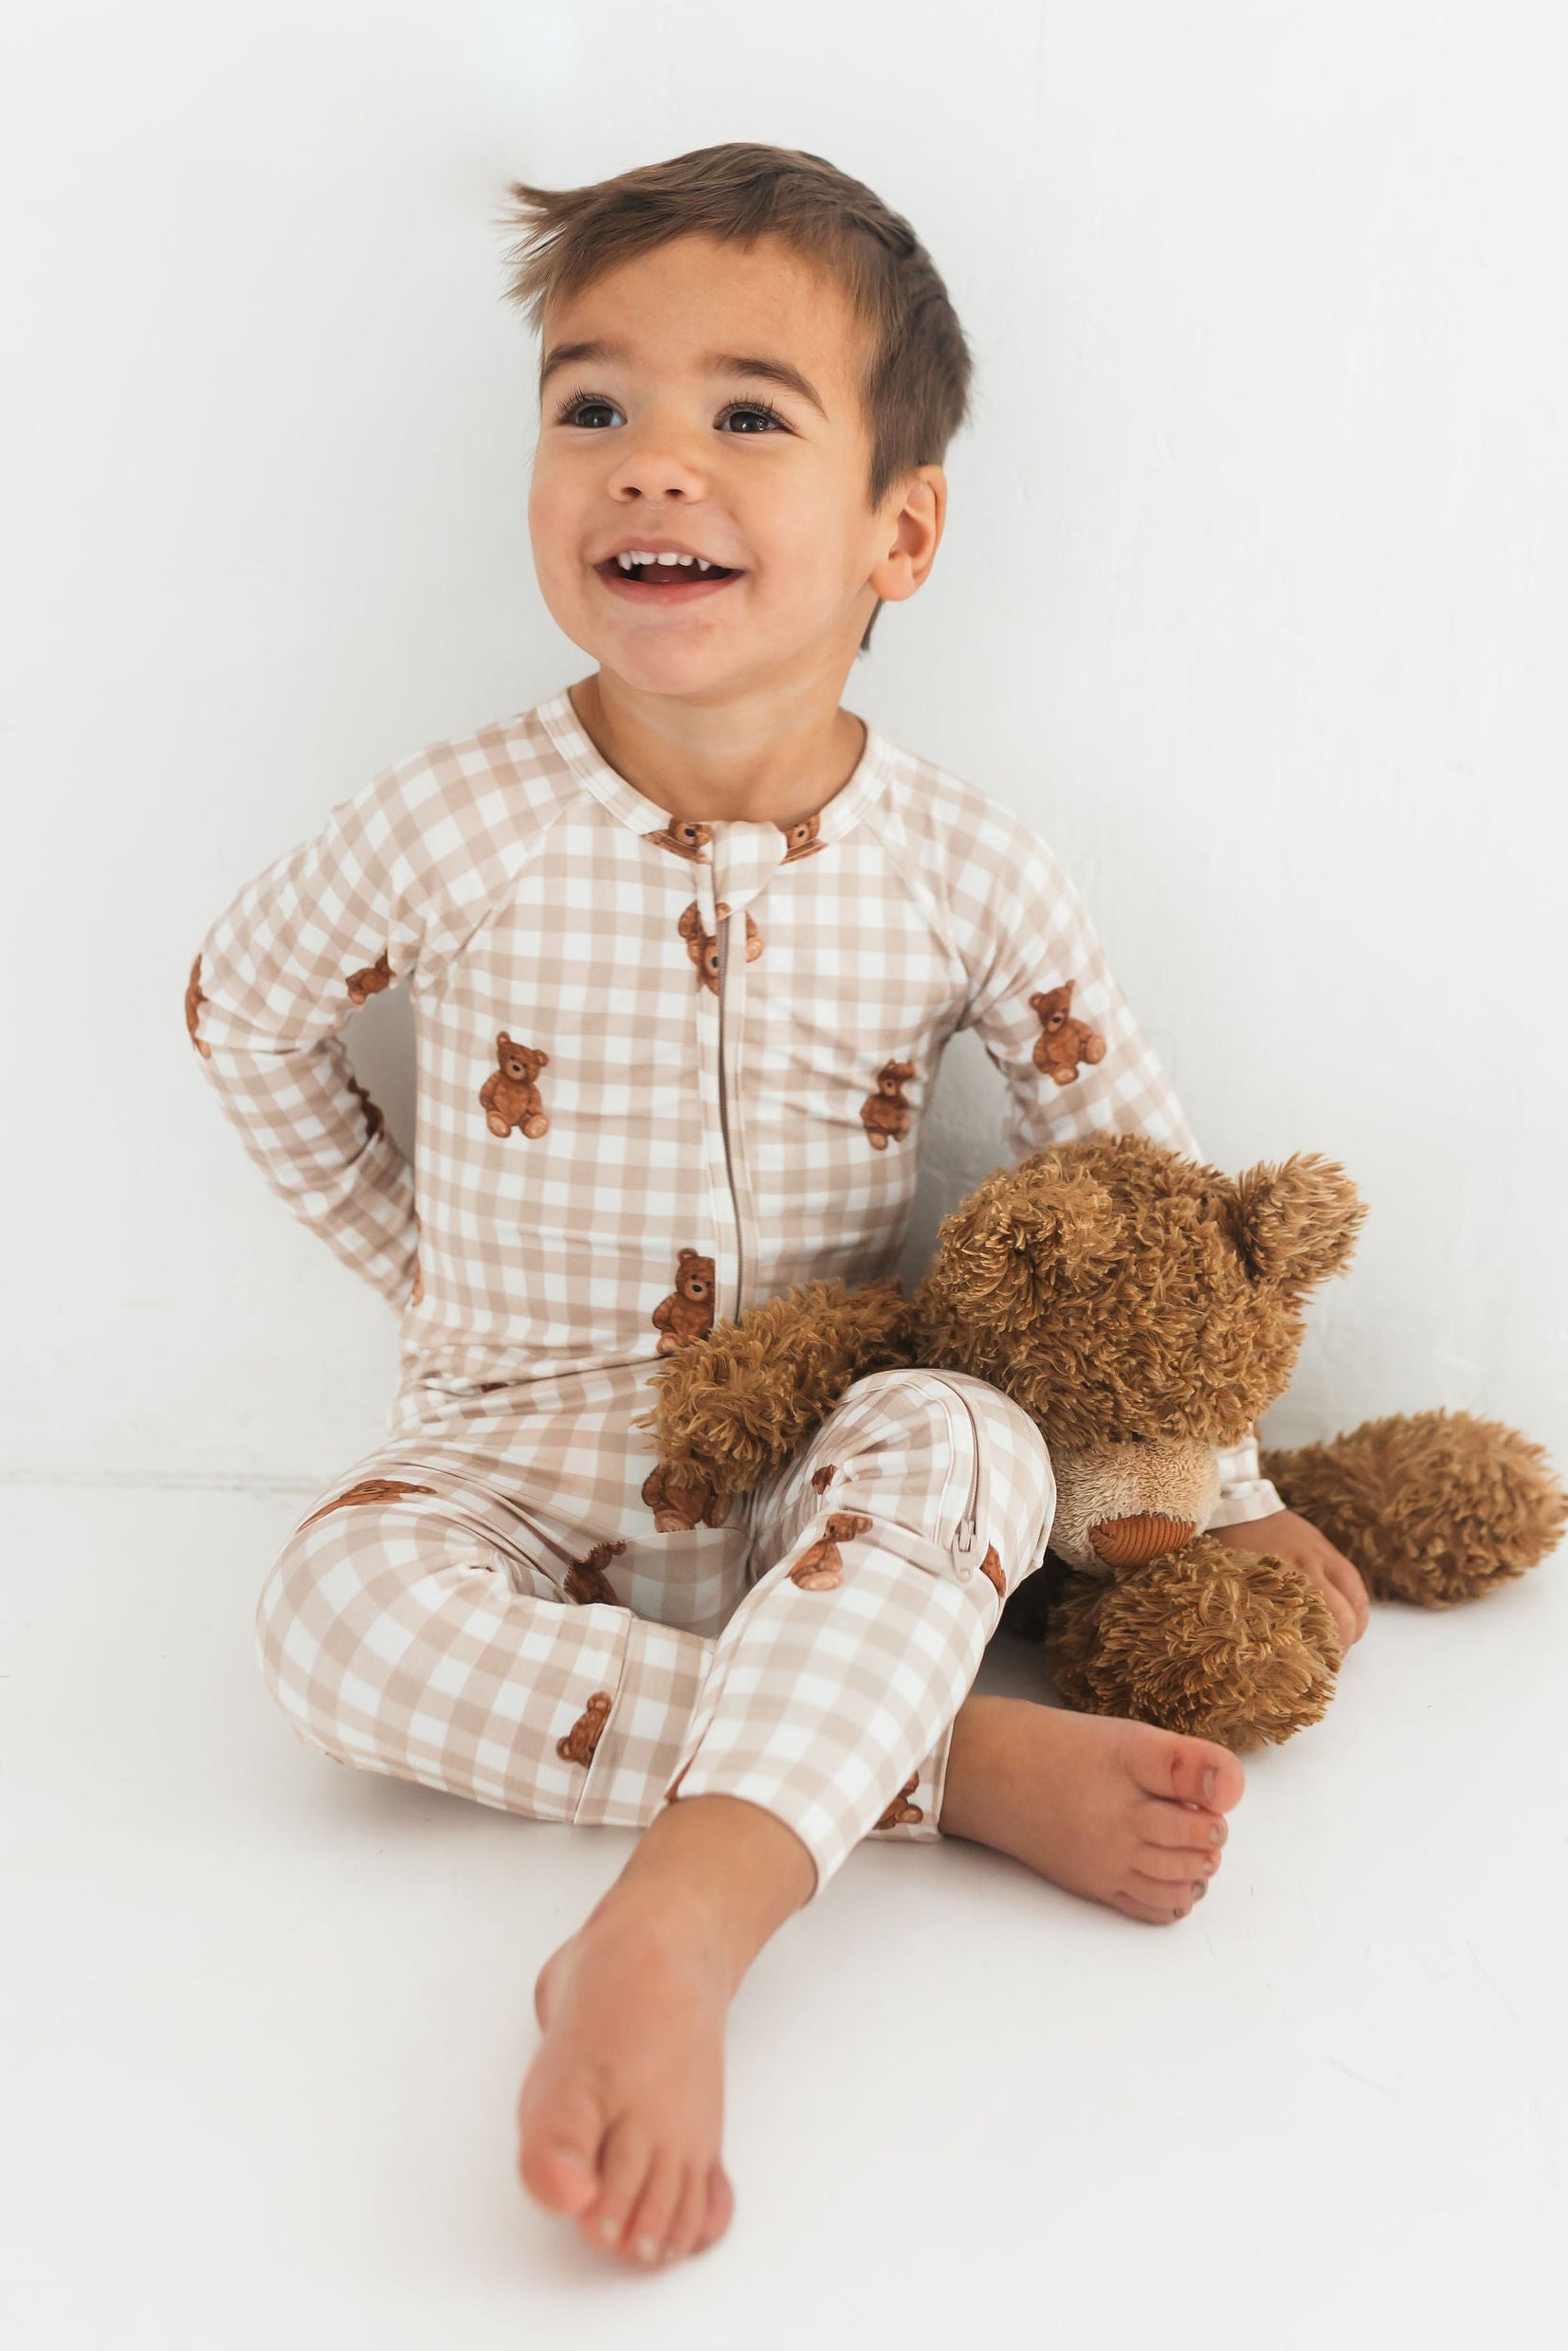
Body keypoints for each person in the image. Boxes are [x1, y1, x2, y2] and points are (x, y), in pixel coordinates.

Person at [187, 143, 1370, 2271]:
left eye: (745, 412)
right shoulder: (454, 818)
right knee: (321, 1626)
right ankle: (923, 1773)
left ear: (897, 530)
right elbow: (240, 1015)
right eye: (591, 405)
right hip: (510, 1447)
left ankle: (682, 1909)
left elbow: (1145, 1180)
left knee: (977, 1436)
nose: (653, 466)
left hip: (841, 1454)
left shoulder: (966, 863)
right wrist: (424, 1271)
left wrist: (1227, 1481)